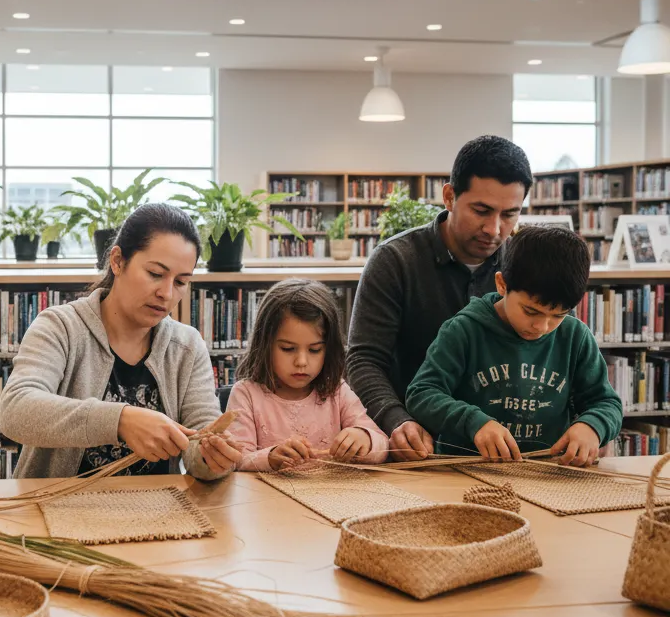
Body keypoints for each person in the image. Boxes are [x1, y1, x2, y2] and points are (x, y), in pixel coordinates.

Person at [0, 202, 240, 480]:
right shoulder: (60, 327)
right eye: (155, 274)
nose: (166, 293)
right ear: (117, 261)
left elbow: (199, 446)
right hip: (57, 509)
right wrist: (121, 420)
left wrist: (214, 460)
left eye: (180, 282)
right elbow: (16, 410)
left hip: (155, 514)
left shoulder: (186, 346)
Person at [346, 135, 534, 460]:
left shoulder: (529, 263)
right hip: (419, 449)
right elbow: (364, 361)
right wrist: (396, 420)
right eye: (481, 210)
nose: (494, 229)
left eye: (509, 215)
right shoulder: (395, 261)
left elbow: (563, 348)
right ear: (449, 196)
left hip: (508, 453)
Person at [405, 226, 623, 465]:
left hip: (547, 473)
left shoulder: (575, 337)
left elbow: (606, 403)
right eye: (531, 311)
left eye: (558, 315)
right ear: (501, 284)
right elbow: (422, 394)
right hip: (466, 471)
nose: (542, 326)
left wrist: (592, 426)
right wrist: (474, 422)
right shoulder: (464, 330)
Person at [227, 279, 388, 471]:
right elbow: (234, 460)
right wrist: (269, 458)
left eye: (314, 350)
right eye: (288, 349)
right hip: (268, 499)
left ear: (329, 349)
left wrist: (365, 438)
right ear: (264, 345)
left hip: (333, 497)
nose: (301, 362)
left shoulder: (336, 391)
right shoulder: (246, 394)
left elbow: (383, 445)